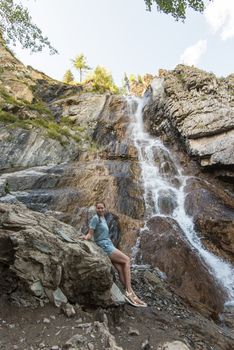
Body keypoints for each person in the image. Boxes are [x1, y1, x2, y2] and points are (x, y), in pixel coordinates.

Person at [82, 202, 147, 307]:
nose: (100, 210)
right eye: (98, 208)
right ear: (96, 209)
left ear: (105, 208)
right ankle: (129, 291)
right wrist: (84, 238)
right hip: (104, 246)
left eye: (102, 208)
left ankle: (130, 294)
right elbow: (90, 233)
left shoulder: (103, 218)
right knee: (126, 260)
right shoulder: (95, 218)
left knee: (121, 268)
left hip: (108, 244)